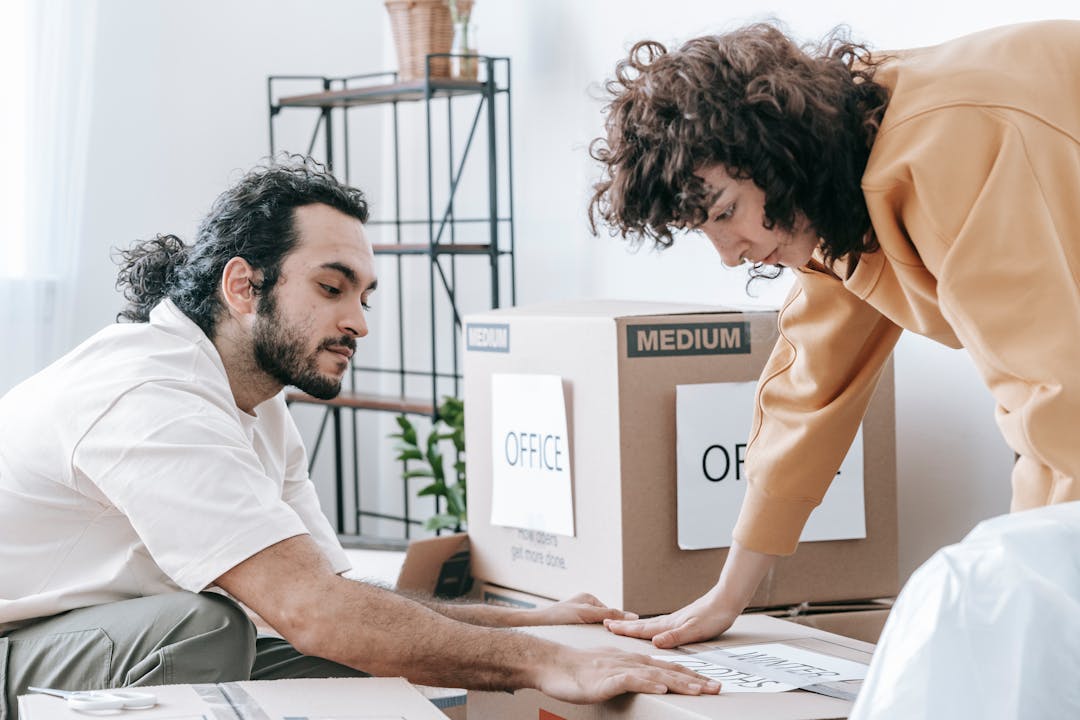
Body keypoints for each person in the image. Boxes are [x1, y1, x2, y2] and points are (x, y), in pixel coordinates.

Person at [0, 158, 719, 720]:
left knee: (368, 659)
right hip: (16, 656)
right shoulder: (151, 397)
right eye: (332, 288)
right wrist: (543, 660)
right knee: (208, 628)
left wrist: (519, 623)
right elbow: (311, 611)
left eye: (364, 296)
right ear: (243, 287)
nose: (359, 323)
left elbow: (334, 593)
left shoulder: (257, 406)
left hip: (95, 632)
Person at [588, 19, 1080, 647]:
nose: (729, 256)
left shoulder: (943, 155)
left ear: (777, 155)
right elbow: (808, 391)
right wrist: (727, 597)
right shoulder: (836, 193)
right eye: (703, 228)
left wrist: (1029, 627)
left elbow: (1056, 401)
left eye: (726, 213)